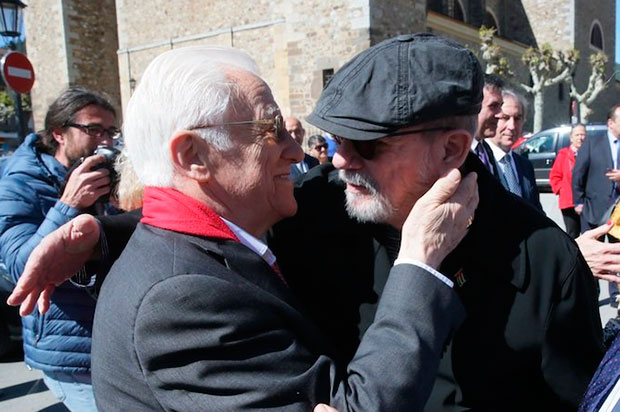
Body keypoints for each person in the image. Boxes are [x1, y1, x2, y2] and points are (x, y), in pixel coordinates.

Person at [7, 34, 604, 411]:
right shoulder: (319, 208)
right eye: (333, 139)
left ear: (451, 150)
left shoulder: (547, 262)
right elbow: (200, 241)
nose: (330, 159)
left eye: (364, 145)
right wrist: (101, 236)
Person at [93, 44, 474, 411]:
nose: (294, 151)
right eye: (271, 129)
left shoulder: (192, 252)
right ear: (194, 157)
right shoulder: (181, 301)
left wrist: (99, 236)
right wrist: (418, 264)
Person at [0, 86, 118, 411]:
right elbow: (20, 268)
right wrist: (68, 204)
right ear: (59, 133)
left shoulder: (103, 175)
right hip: (70, 347)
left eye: (110, 131)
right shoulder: (20, 182)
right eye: (94, 129)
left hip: (110, 336)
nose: (105, 141)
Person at [574, 104, 620, 306]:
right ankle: (591, 293)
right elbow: (578, 174)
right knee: (593, 254)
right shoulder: (593, 143)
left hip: (618, 213)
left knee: (616, 255)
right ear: (611, 123)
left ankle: (615, 295)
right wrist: (578, 201)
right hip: (594, 210)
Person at [487, 89, 543, 211]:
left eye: (517, 118)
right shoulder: (479, 161)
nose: (512, 126)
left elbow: (537, 213)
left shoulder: (525, 166)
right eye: (505, 118)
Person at [550, 124, 586, 238]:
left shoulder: (590, 153)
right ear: (571, 138)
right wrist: (562, 189)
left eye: (583, 135)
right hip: (568, 202)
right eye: (577, 135)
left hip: (587, 203)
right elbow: (555, 176)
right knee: (572, 235)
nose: (580, 137)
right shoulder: (563, 155)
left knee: (588, 235)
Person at [471, 74, 503, 176]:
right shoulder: (454, 154)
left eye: (501, 106)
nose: (500, 114)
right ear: (473, 105)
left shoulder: (487, 151)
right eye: (493, 106)